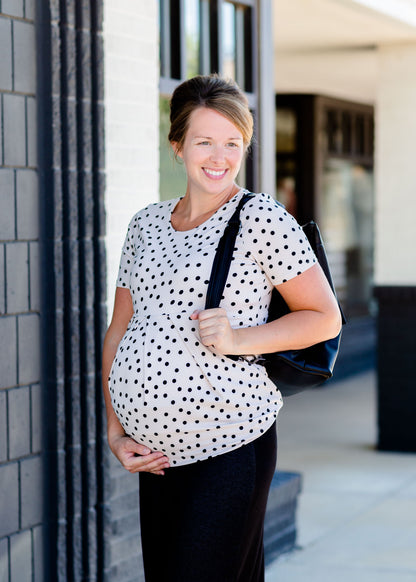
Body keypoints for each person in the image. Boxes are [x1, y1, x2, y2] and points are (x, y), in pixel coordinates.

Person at [102, 74, 341, 582]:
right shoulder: (145, 224)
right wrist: (115, 429)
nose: (219, 156)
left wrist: (237, 339)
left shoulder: (260, 218)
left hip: (227, 448)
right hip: (157, 457)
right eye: (204, 141)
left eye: (232, 143)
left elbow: (325, 317)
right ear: (178, 146)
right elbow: (120, 326)